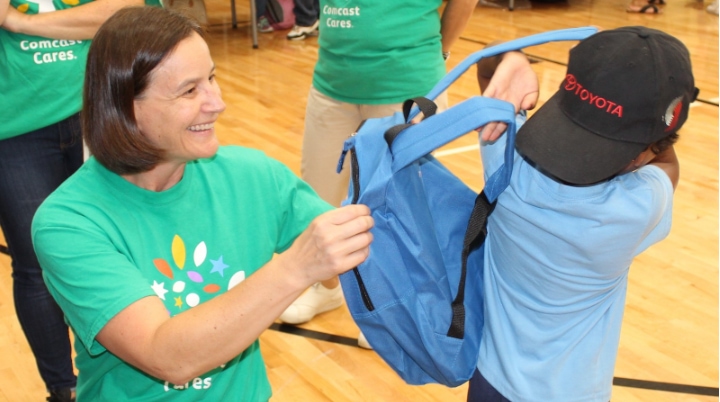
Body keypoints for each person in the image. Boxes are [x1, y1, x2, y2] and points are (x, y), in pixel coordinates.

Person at [31, 6, 374, 401]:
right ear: (126, 109)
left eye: (211, 78)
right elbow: (166, 356)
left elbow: (367, 255)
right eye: (190, 91)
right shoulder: (69, 222)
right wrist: (297, 267)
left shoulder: (253, 175)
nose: (217, 102)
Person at [468, 26, 697, 401]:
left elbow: (492, 72)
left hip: (490, 379)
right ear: (643, 152)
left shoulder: (503, 155)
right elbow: (665, 163)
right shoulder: (636, 208)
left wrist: (512, 57)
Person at [279, 0, 480, 348]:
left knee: (398, 209)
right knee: (318, 197)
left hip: (405, 85)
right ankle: (328, 288)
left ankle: (393, 310)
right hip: (333, 82)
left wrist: (439, 51)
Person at [0, 0, 158, 400]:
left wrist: (21, 21)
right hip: (12, 127)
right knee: (36, 264)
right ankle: (64, 389)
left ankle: (128, 365)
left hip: (96, 108)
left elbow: (124, 12)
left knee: (121, 246)